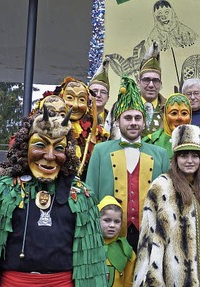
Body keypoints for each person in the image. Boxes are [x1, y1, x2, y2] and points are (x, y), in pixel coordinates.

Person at [0, 108, 109, 287]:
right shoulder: (4, 191)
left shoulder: (81, 195)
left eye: (58, 148)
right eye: (40, 145)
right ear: (24, 147)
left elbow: (92, 263)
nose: (50, 156)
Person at [133, 124, 200, 287]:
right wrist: (152, 272)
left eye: (194, 155)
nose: (189, 160)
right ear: (175, 158)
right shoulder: (162, 185)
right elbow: (149, 233)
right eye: (184, 155)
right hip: (179, 273)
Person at [86, 76, 170, 248]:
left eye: (137, 118)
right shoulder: (101, 151)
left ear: (144, 121)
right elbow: (91, 194)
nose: (133, 123)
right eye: (128, 118)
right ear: (118, 121)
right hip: (109, 237)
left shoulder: (160, 154)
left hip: (149, 236)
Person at [54, 76, 109, 178]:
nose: (75, 105)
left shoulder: (96, 133)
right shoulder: (46, 127)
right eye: (70, 98)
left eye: (81, 99)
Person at [99, 196, 137, 287]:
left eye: (116, 221)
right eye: (106, 220)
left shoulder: (126, 252)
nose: (112, 225)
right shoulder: (86, 248)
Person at [138, 43, 167, 136]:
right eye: (146, 80)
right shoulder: (124, 105)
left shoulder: (169, 108)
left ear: (160, 84)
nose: (151, 85)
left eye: (155, 80)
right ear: (138, 82)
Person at [89, 58, 114, 133]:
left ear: (108, 98)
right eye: (94, 91)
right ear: (87, 95)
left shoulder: (113, 120)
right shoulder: (79, 117)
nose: (98, 95)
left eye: (103, 92)